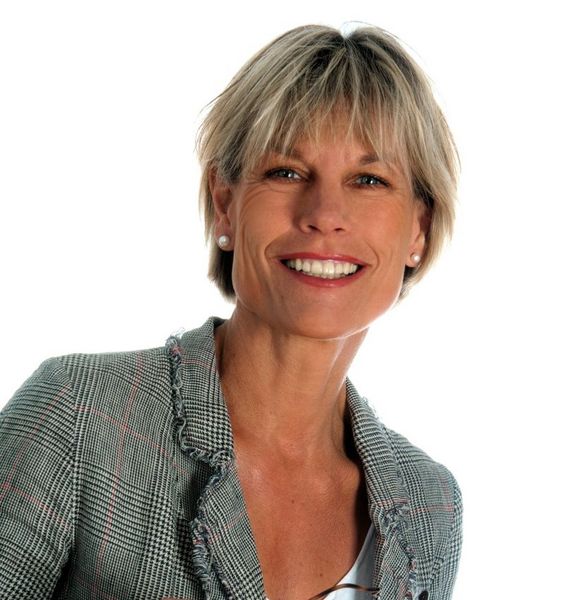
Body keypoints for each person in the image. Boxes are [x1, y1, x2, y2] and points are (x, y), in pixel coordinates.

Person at [0, 23, 462, 600]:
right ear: (225, 204)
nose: (324, 214)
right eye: (286, 172)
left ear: (418, 228)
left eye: (369, 180)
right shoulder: (79, 416)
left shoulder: (430, 507)